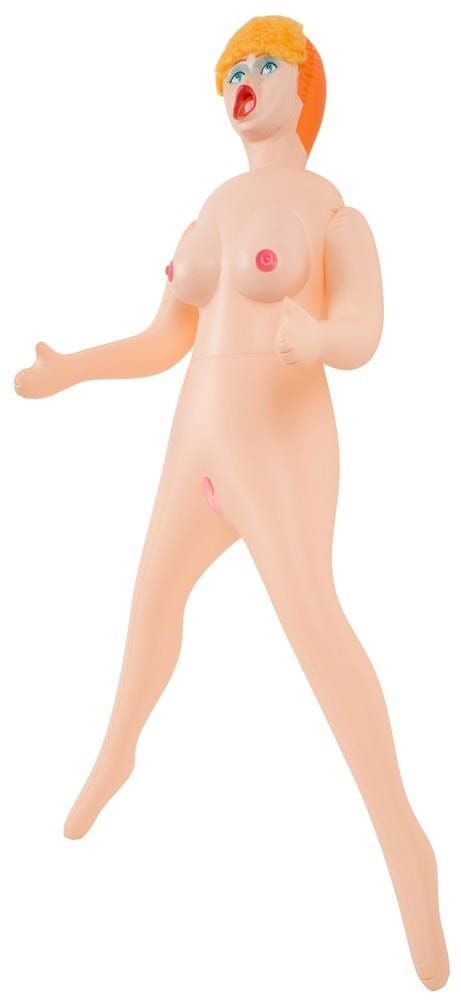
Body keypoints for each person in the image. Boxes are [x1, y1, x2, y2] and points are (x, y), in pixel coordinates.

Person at [14, 16, 449, 990]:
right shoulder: (212, 206)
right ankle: (117, 748)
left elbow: (363, 327)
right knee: (149, 599)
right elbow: (162, 339)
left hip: (281, 438)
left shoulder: (332, 212)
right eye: (230, 71)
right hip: (196, 438)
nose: (242, 82)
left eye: (262, 65)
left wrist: (319, 339)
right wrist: (73, 368)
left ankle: (403, 843)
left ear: (303, 83)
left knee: (312, 622)